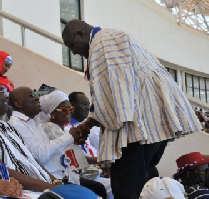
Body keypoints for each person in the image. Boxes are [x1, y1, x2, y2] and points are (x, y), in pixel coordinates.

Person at [62, 19, 202, 199]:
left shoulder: (102, 43)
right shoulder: (112, 37)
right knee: (142, 185)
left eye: (72, 45)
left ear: (81, 34)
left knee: (126, 187)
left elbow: (115, 95)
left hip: (136, 127)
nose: (73, 52)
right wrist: (90, 124)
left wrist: (91, 129)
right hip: (151, 123)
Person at [8, 86, 107, 199]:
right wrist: (70, 138)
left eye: (70, 109)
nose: (37, 98)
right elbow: (40, 156)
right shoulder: (17, 125)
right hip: (48, 179)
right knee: (97, 189)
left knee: (98, 188)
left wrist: (73, 142)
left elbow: (62, 155)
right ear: (18, 103)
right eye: (32, 95)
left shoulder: (34, 122)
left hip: (59, 175)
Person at [0, 79, 61, 192]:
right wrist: (50, 187)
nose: (6, 96)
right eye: (1, 91)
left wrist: (54, 181)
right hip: (21, 190)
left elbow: (30, 159)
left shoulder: (5, 126)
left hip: (41, 186)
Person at [40, 90, 113, 199]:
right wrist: (101, 162)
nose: (68, 112)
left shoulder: (65, 129)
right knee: (103, 187)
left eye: (70, 109)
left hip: (75, 172)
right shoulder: (50, 128)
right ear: (52, 112)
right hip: (61, 175)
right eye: (64, 109)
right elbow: (71, 158)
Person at [66, 91, 99, 156]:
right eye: (84, 104)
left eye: (89, 105)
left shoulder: (89, 128)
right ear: (72, 105)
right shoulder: (66, 128)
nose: (88, 107)